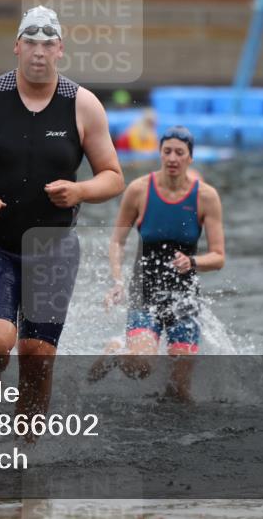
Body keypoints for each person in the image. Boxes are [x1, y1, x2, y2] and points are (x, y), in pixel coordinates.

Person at [0, 5, 124, 428]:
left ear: (60, 50)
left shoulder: (83, 104)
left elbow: (113, 177)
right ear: (17, 47)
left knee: (37, 357)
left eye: (48, 44)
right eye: (31, 43)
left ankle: (27, 456)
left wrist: (79, 190)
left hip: (52, 249)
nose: (39, 52)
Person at [88, 126, 225, 401]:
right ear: (160, 154)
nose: (173, 158)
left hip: (184, 297)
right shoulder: (139, 190)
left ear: (190, 158)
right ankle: (116, 349)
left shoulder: (206, 197)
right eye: (167, 151)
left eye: (180, 153)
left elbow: (219, 256)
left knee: (179, 392)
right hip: (145, 291)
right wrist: (117, 281)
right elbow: (117, 241)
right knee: (140, 367)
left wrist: (194, 261)